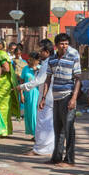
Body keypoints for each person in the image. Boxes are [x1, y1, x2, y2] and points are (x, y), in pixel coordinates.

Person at [43, 32, 81, 164]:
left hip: (68, 96)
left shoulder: (73, 57)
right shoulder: (52, 59)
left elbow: (78, 79)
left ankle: (70, 159)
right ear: (56, 45)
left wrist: (74, 98)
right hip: (56, 98)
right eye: (61, 44)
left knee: (69, 128)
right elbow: (48, 79)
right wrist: (43, 97)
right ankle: (56, 157)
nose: (64, 46)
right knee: (58, 129)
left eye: (66, 44)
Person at [0, 38, 21, 135]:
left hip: (3, 84)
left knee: (2, 108)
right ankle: (5, 130)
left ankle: (2, 130)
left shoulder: (1, 54)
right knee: (2, 107)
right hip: (2, 84)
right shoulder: (0, 53)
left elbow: (6, 68)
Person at [32, 42, 56, 157]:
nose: (39, 54)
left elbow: (40, 80)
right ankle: (47, 147)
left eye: (41, 51)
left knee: (44, 123)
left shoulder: (48, 64)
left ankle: (41, 149)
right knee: (48, 123)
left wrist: (22, 87)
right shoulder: (48, 62)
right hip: (48, 96)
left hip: (46, 97)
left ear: (47, 52)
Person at [19, 52, 40, 138]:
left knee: (35, 114)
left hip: (37, 93)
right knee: (29, 114)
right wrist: (21, 95)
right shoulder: (25, 69)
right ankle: (33, 133)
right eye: (29, 59)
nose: (30, 61)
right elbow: (21, 82)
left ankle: (37, 134)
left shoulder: (40, 69)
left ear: (37, 61)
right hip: (27, 94)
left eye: (32, 59)